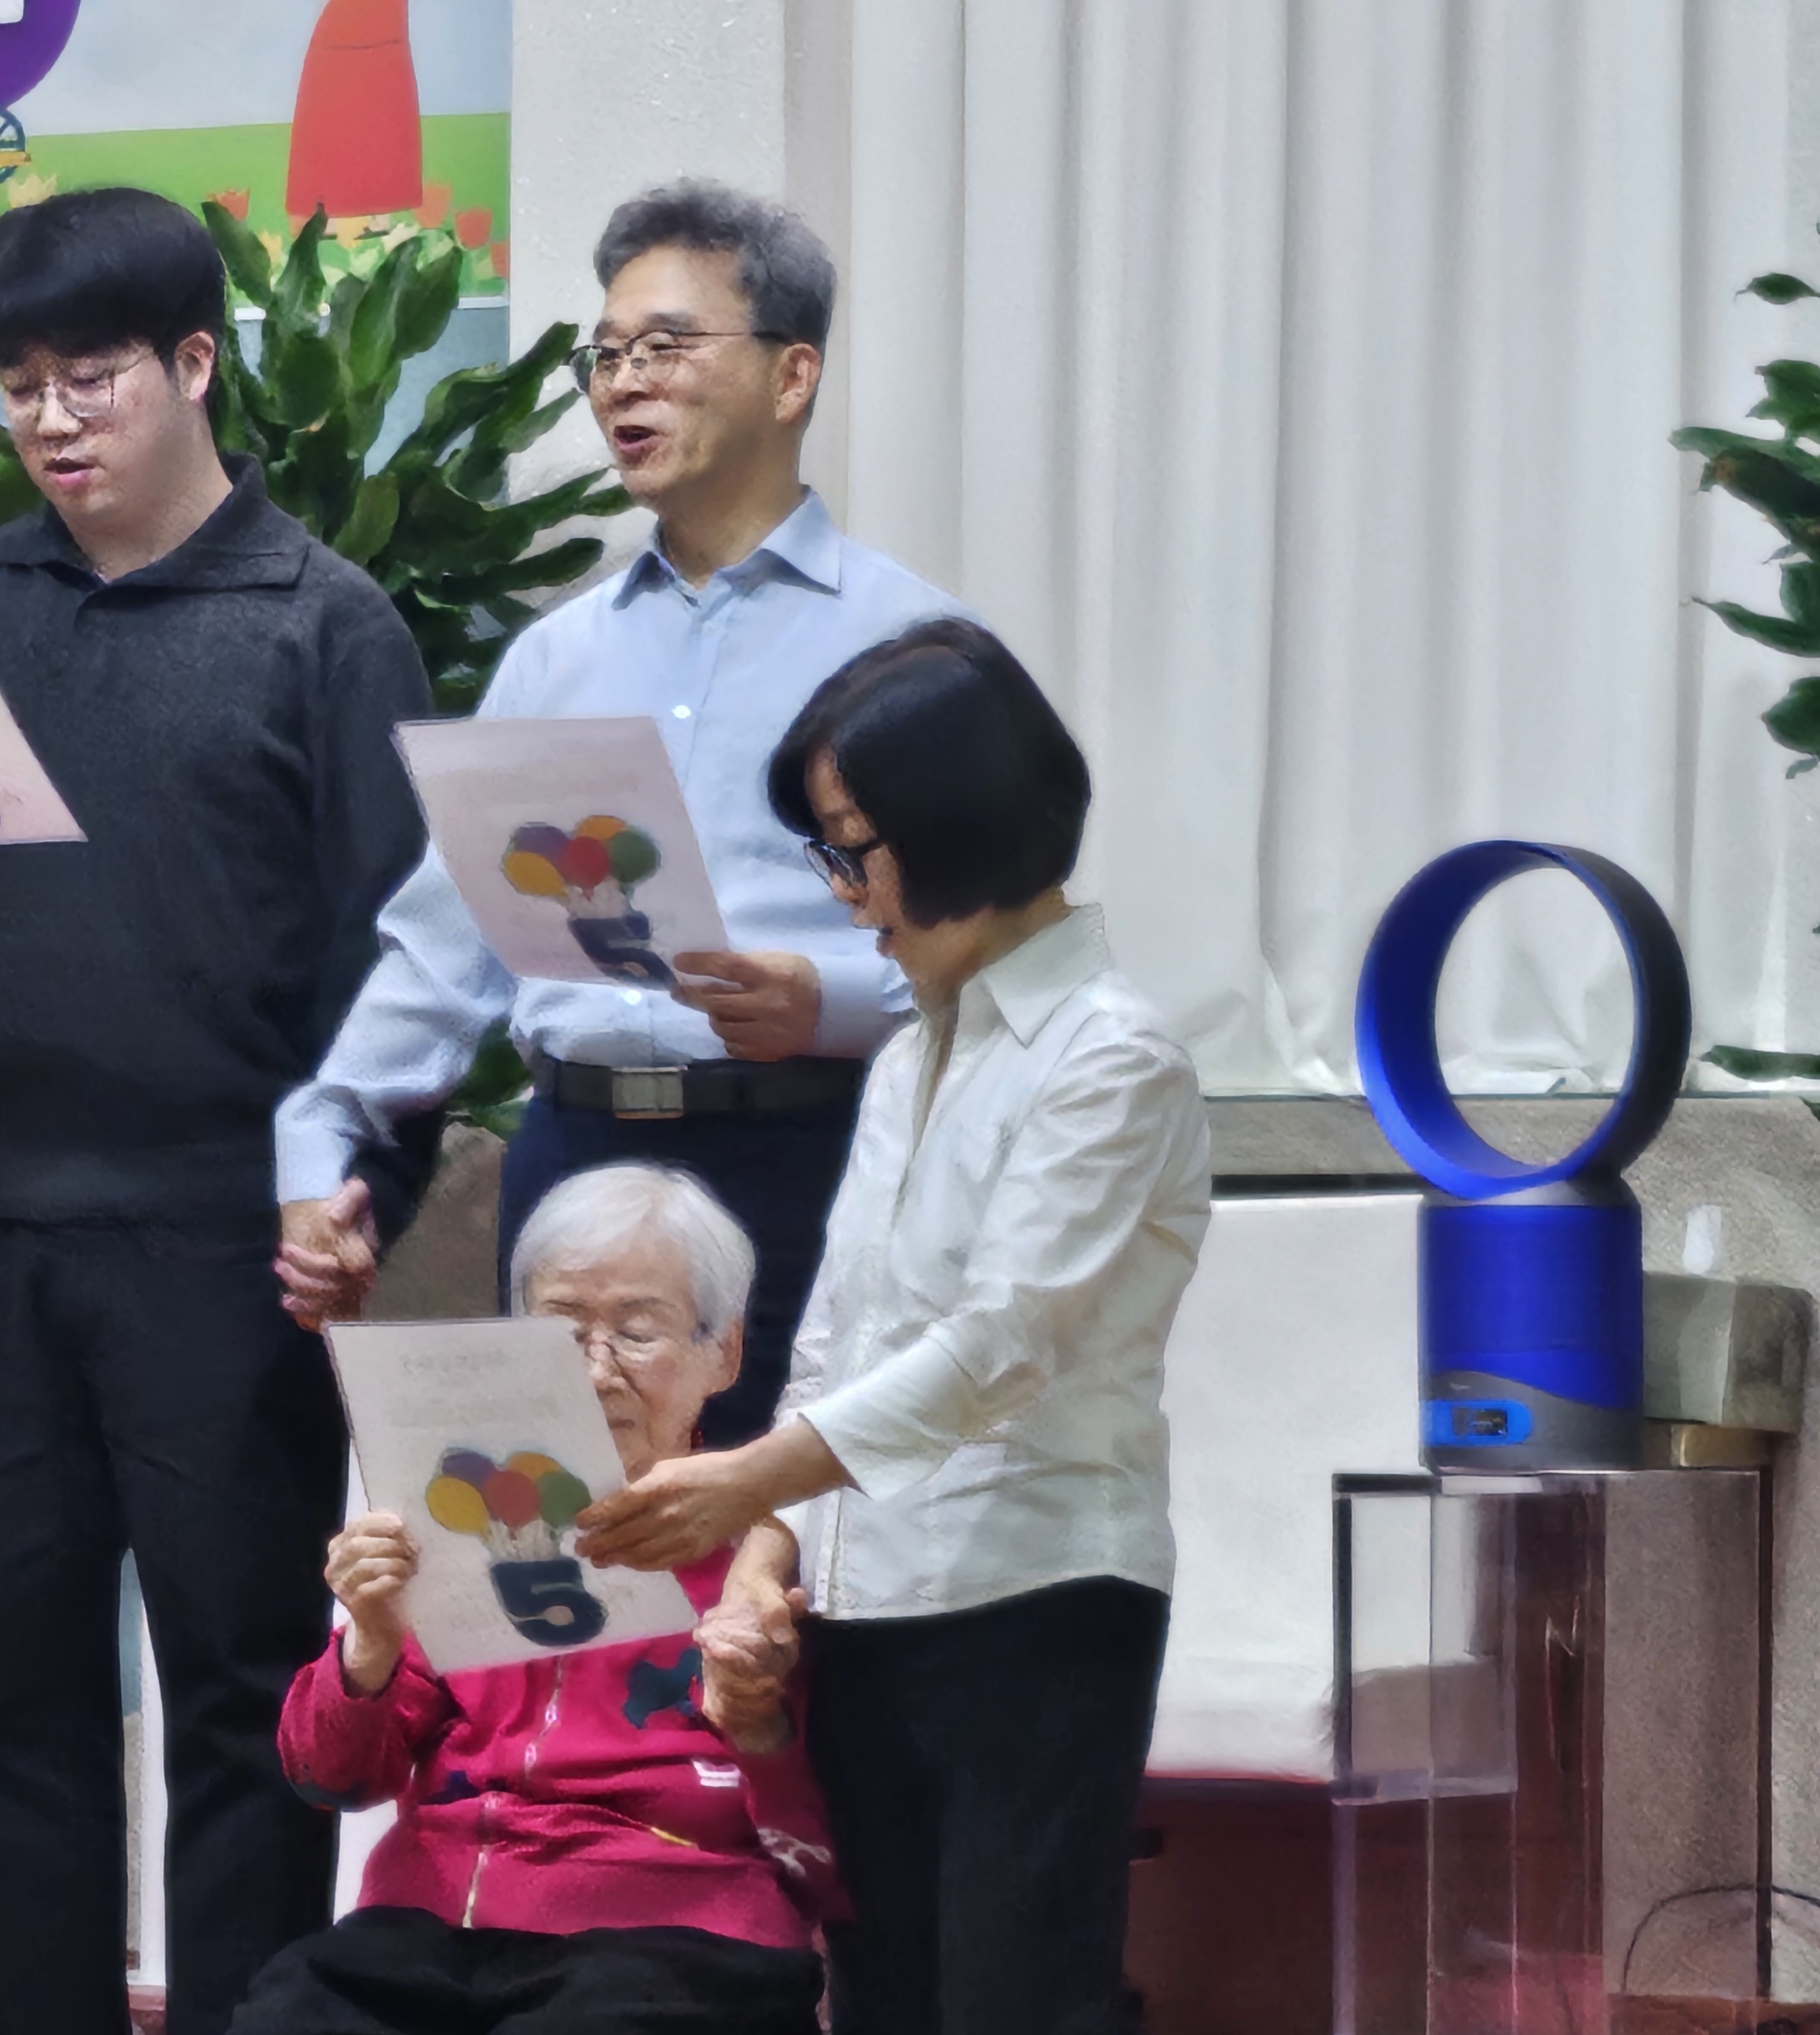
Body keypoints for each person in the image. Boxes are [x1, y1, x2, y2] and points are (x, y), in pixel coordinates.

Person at [0, 187, 433, 2035]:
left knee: (242, 1695)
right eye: (19, 386)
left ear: (194, 362)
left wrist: (355, 1195)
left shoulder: (326, 625)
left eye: (92, 377)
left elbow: (402, 967)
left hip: (226, 1247)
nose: (52, 420)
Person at [576, 618, 1213, 2034]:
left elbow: (999, 1350)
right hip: (859, 1607)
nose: (843, 893)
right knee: (876, 2003)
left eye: (852, 850)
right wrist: (761, 1560)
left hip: (1034, 1595)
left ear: (957, 823)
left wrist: (745, 1479)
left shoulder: (1110, 1056)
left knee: (1011, 2002)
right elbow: (836, 1343)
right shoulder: (914, 1051)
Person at [273, 180, 974, 1448]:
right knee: (581, 1554)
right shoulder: (554, 660)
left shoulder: (915, 646)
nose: (622, 385)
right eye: (605, 356)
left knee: (797, 1551)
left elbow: (996, 953)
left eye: (665, 347)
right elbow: (448, 948)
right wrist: (326, 1128)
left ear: (793, 375)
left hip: (809, 1157)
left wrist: (825, 1002)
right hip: (574, 1164)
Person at [231, 1163, 840, 2035]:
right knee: (287, 2014)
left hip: (675, 1925)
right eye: (561, 1331)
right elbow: (327, 1777)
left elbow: (835, 1858)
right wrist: (368, 1645)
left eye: (636, 1333)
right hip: (433, 1922)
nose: (593, 1370)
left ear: (725, 1352)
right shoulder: (461, 1514)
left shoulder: (771, 1548)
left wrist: (759, 1728)